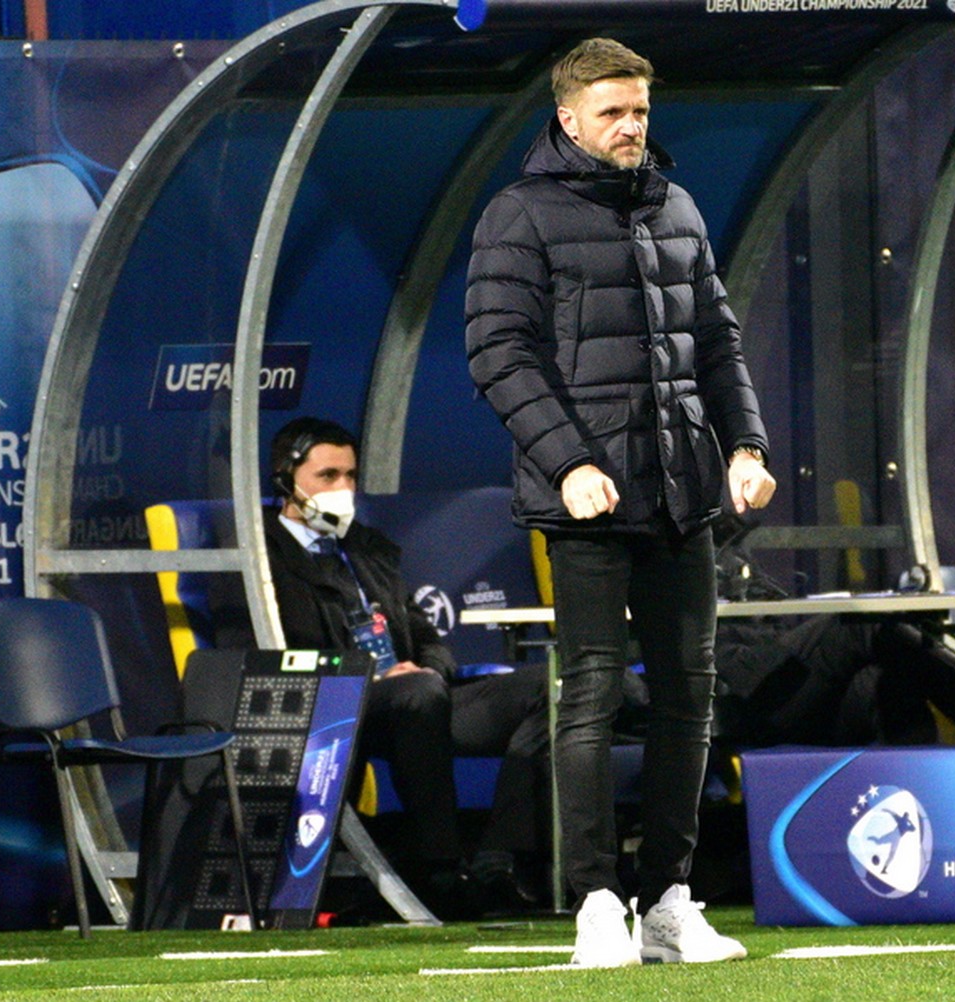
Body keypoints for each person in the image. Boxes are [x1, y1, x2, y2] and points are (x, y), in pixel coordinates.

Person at [465, 37, 775, 966]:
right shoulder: (518, 214)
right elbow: (498, 354)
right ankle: (598, 901)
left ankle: (672, 903)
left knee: (689, 695)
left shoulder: (675, 205)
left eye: (640, 110)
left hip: (683, 494)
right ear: (568, 118)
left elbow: (715, 341)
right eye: (612, 111)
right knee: (592, 693)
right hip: (587, 502)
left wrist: (746, 445)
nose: (632, 126)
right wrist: (566, 463)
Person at [240, 416, 550, 917]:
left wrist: (426, 669)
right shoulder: (258, 557)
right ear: (285, 479)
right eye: (327, 476)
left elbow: (426, 636)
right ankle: (440, 869)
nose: (343, 489)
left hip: (415, 699)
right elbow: (262, 656)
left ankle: (499, 856)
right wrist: (374, 675)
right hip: (332, 705)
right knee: (418, 694)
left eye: (350, 476)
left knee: (551, 687)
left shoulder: (366, 548)